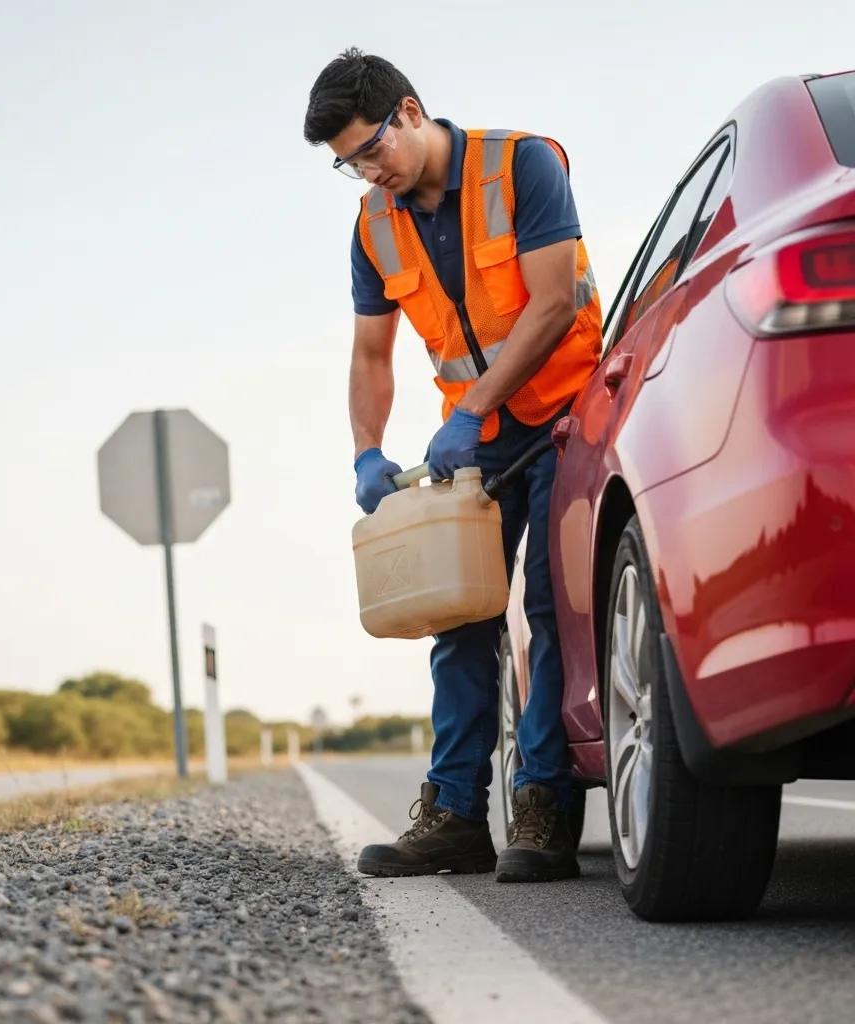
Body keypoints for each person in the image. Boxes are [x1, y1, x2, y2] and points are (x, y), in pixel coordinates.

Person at [303, 49, 601, 883]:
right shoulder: (373, 225)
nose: (366, 171)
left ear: (406, 111)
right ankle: (457, 817)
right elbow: (372, 353)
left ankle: (542, 810)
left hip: (567, 420)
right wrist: (365, 448)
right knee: (460, 620)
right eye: (347, 163)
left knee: (545, 609)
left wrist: (471, 411)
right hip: (474, 444)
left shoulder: (523, 165)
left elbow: (551, 304)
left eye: (370, 149)